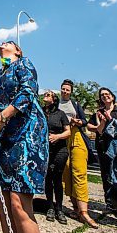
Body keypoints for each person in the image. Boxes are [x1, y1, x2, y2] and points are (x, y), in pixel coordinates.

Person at [0, 41, 48, 233]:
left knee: (19, 200)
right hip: (3, 139)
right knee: (2, 198)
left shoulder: (24, 64)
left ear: (18, 51)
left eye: (10, 42)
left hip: (27, 135)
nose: (3, 42)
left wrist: (1, 117)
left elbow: (27, 93)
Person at [59, 79, 98, 228]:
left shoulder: (75, 104)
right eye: (63, 89)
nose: (65, 91)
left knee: (79, 172)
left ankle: (84, 213)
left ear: (71, 91)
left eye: (67, 89)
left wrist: (78, 121)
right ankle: (75, 209)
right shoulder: (57, 104)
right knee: (67, 173)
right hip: (63, 139)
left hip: (76, 137)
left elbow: (85, 121)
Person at [87, 87, 117, 214]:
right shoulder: (99, 113)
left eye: (107, 94)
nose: (105, 96)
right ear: (101, 99)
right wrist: (103, 121)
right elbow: (96, 129)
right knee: (106, 176)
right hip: (104, 147)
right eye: (102, 95)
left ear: (112, 96)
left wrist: (111, 119)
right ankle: (110, 203)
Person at [42, 90, 70, 224]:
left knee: (57, 179)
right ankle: (50, 207)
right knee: (48, 178)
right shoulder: (40, 112)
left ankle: (59, 208)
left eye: (48, 95)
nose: (45, 96)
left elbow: (68, 131)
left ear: (54, 99)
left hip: (60, 150)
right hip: (46, 150)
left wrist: (57, 137)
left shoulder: (60, 114)